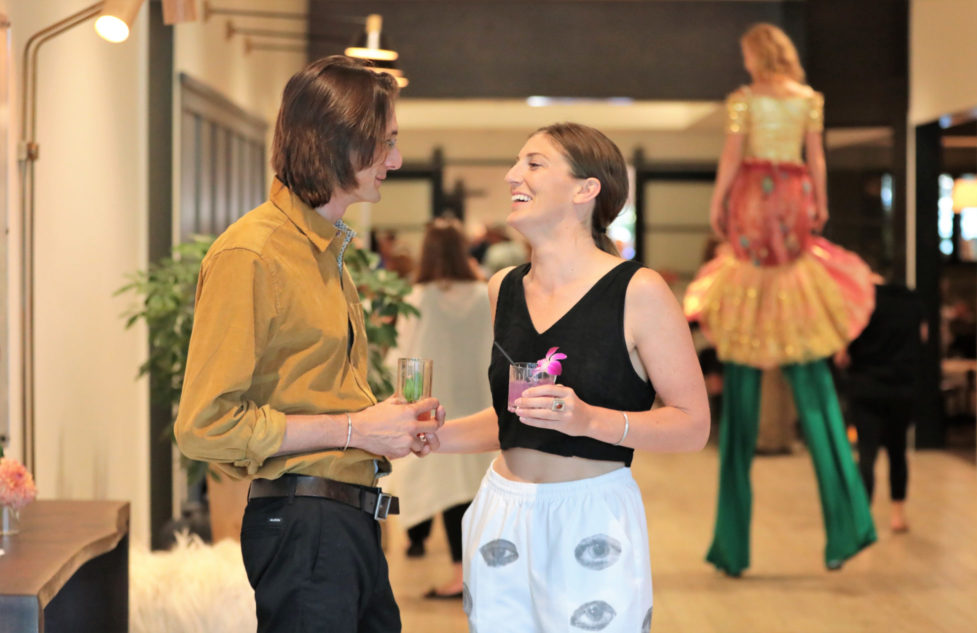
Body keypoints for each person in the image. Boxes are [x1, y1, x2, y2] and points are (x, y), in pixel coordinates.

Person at [174, 55, 445, 633]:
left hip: (347, 523)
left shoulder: (326, 254)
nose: (395, 161)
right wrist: (355, 430)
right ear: (337, 141)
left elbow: (318, 395)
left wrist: (384, 426)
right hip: (304, 526)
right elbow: (204, 425)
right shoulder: (252, 254)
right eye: (385, 142)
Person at [420, 122, 710, 632]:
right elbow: (513, 421)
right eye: (517, 163)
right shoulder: (501, 289)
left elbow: (692, 425)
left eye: (533, 164)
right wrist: (429, 436)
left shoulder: (638, 291)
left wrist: (590, 419)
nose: (513, 175)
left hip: (592, 518)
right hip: (500, 512)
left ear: (586, 189)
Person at [683, 23, 877, 577]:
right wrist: (817, 210)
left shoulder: (744, 101)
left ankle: (731, 548)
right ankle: (848, 529)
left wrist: (719, 207)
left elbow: (731, 158)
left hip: (752, 210)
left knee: (741, 392)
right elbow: (815, 160)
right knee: (814, 393)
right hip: (791, 210)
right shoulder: (808, 100)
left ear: (755, 55)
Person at [386, 217, 496, 600]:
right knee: (476, 490)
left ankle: (457, 573)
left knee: (441, 486)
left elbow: (402, 357)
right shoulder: (486, 293)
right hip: (482, 403)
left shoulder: (418, 298)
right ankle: (476, 571)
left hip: (437, 408)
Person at [835, 274, 925, 533]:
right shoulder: (912, 301)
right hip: (902, 389)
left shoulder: (862, 304)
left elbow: (842, 356)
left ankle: (864, 517)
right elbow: (923, 338)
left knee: (867, 454)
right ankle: (898, 515)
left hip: (866, 388)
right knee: (898, 452)